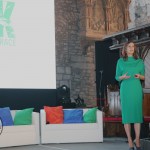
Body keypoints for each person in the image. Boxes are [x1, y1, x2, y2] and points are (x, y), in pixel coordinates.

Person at [115, 41, 145, 150]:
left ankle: (137, 139)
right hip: (125, 90)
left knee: (137, 116)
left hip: (136, 90)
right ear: (125, 49)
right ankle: (129, 140)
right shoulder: (120, 62)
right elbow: (117, 77)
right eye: (129, 46)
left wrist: (139, 76)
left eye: (133, 46)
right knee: (127, 117)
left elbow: (143, 77)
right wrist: (122, 77)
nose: (131, 48)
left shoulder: (140, 61)